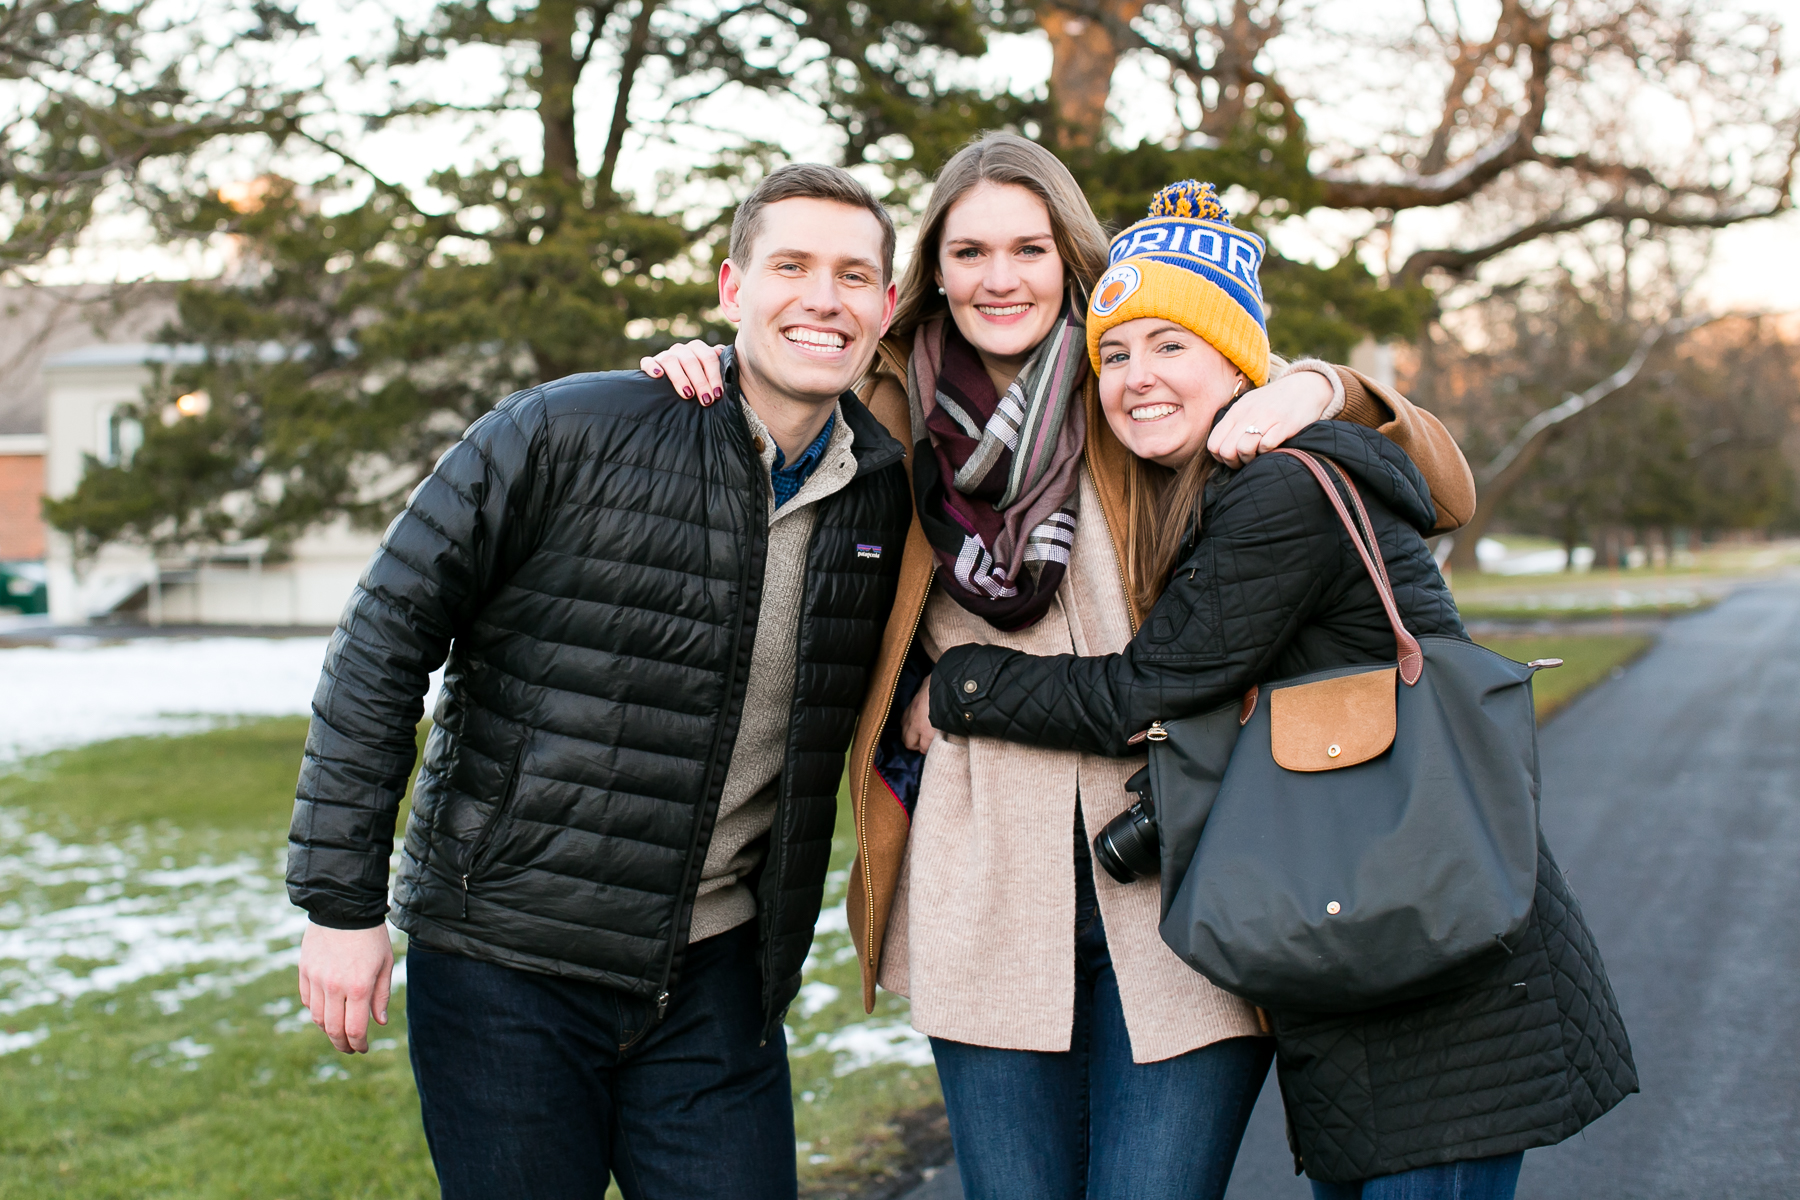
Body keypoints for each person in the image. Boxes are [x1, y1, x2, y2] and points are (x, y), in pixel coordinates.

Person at [645, 135, 1480, 1199]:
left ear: (1070, 257)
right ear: (931, 273)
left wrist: (1318, 385)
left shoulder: (1133, 368)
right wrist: (704, 365)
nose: (1002, 277)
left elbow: (1436, 487)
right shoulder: (883, 407)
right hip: (984, 862)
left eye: (1030, 248)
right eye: (971, 249)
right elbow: (779, 444)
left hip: (1179, 857)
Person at [922, 179, 1639, 1200]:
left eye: (1172, 346)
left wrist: (961, 683)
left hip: (1436, 982)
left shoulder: (1282, 493)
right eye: (1115, 354)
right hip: (1381, 935)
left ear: (1237, 362)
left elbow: (1143, 692)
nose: (1136, 378)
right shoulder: (1236, 489)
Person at [285, 163, 916, 1200]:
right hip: (507, 965)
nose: (823, 297)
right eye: (791, 265)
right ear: (730, 287)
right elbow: (382, 642)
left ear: (884, 307)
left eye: (854, 275)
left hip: (716, 982)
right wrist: (339, 904)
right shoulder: (569, 430)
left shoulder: (883, 495)